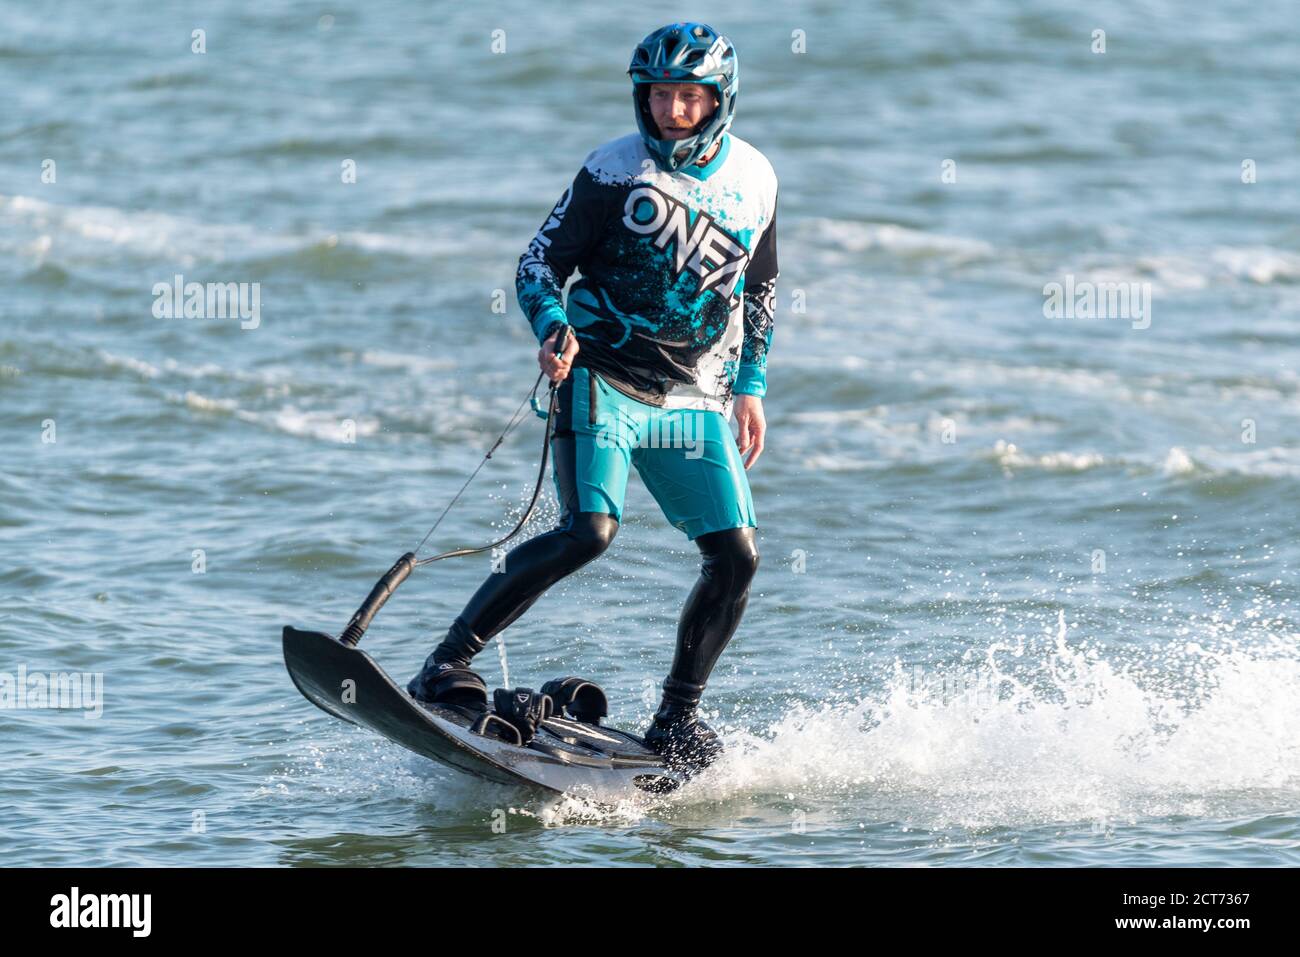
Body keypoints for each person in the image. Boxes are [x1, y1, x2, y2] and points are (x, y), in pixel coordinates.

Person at [407, 21, 779, 772]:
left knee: (735, 557)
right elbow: (540, 261)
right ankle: (445, 665)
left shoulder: (757, 180)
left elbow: (761, 290)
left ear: (719, 101)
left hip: (687, 397)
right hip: (599, 376)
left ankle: (677, 719)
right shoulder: (613, 171)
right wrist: (550, 325)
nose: (673, 112)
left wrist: (750, 386)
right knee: (588, 531)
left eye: (689, 98)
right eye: (660, 96)